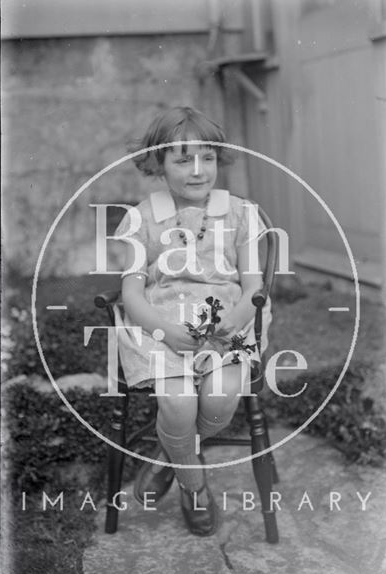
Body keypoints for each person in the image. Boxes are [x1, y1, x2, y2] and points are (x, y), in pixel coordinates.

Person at [114, 106, 271, 536]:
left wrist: (228, 328)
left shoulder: (240, 213)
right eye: (183, 159)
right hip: (162, 327)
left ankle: (171, 456)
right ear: (159, 164)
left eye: (207, 158)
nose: (198, 170)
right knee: (179, 402)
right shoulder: (143, 217)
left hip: (226, 324)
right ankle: (194, 484)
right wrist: (165, 331)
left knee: (220, 400)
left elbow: (253, 285)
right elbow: (131, 292)